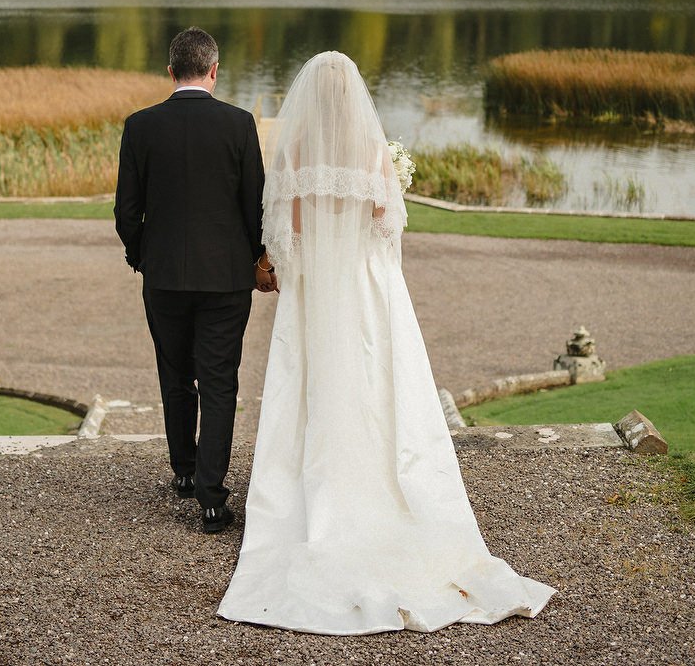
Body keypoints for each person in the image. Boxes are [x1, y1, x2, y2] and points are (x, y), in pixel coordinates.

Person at [217, 51, 555, 634]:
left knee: (316, 383)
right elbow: (385, 228)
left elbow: (287, 237)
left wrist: (297, 268)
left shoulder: (294, 152)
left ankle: (319, 490)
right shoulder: (374, 152)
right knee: (376, 385)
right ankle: (384, 487)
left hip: (317, 294)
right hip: (367, 292)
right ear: (353, 99)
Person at [114, 27, 275, 535]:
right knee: (219, 381)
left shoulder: (140, 126)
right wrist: (256, 260)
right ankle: (210, 497)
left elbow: (126, 211)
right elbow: (256, 206)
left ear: (170, 71)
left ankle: (183, 472)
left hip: (163, 277)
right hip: (226, 279)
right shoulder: (239, 124)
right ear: (213, 70)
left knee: (175, 374)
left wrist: (144, 257)